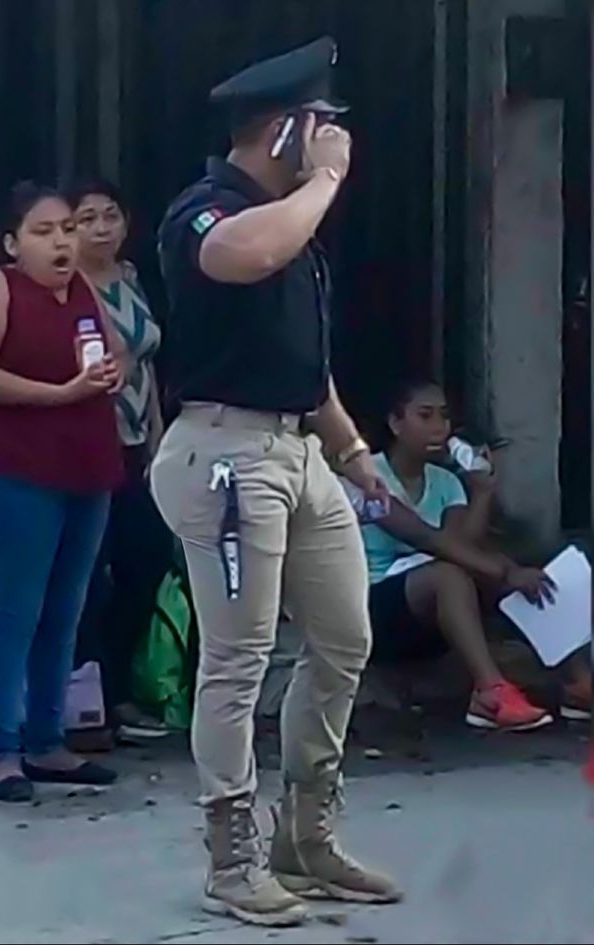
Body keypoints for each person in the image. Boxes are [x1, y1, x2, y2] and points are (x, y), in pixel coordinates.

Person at [152, 38, 400, 927]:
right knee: (237, 659)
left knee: (342, 636)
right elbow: (240, 258)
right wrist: (321, 185)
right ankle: (233, 856)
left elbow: (302, 356)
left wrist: (351, 446)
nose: (337, 145)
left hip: (297, 449)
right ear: (285, 129)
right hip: (223, 454)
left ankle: (308, 833)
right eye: (322, 128)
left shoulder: (292, 225)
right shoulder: (207, 209)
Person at [0, 183, 126, 802]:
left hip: (89, 463)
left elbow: (115, 356)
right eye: (44, 232)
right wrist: (57, 394)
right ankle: (2, 744)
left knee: (67, 608)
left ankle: (49, 739)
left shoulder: (82, 290)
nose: (61, 242)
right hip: (24, 467)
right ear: (11, 242)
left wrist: (106, 373)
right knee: (16, 609)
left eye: (67, 230)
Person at [349, 378, 591, 728]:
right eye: (425, 416)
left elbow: (461, 544)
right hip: (374, 604)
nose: (438, 428)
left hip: (433, 604)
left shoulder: (445, 482)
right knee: (455, 574)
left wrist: (482, 492)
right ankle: (489, 693)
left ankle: (579, 684)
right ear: (396, 423)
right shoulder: (368, 476)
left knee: (532, 577)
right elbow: (426, 538)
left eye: (444, 417)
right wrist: (506, 571)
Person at [71, 179, 174, 739]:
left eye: (111, 215)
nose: (101, 228)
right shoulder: (65, 284)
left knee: (146, 561)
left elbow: (147, 363)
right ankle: (83, 703)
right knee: (88, 576)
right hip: (89, 443)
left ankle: (117, 689)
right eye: (87, 218)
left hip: (137, 442)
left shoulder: (131, 278)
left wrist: (157, 431)